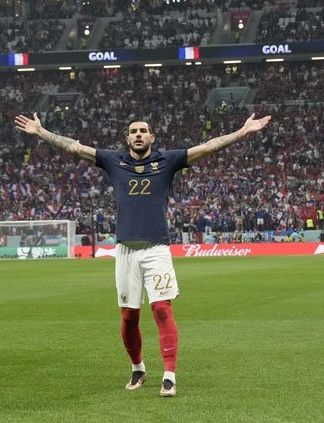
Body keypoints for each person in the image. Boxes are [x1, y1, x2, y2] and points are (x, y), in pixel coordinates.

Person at [14, 112, 271, 397]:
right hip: (125, 250)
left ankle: (169, 375)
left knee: (162, 309)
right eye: (133, 131)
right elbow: (75, 148)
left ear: (152, 137)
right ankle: (138, 368)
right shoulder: (114, 161)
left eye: (143, 131)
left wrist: (242, 132)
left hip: (156, 248)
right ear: (127, 139)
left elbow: (209, 146)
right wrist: (42, 132)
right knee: (128, 317)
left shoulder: (167, 161)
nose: (138, 134)